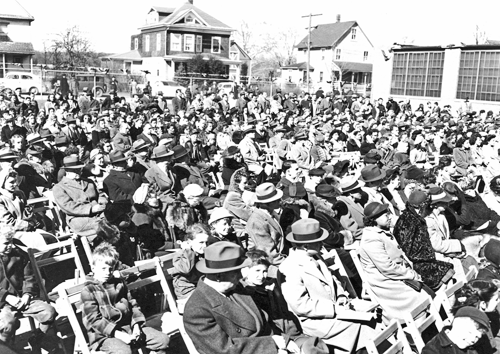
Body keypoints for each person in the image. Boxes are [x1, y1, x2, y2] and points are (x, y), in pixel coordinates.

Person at [183, 241, 301, 354]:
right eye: (236, 272)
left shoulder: (236, 288)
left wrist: (284, 340)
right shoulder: (197, 310)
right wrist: (272, 344)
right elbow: (224, 350)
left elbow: (263, 322)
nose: (241, 276)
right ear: (219, 275)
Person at [279, 219, 377, 352]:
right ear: (306, 246)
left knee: (374, 314)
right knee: (362, 326)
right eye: (318, 241)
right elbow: (300, 305)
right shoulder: (289, 267)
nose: (322, 243)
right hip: (317, 320)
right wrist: (333, 309)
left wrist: (341, 295)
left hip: (337, 309)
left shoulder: (316, 256)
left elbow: (332, 279)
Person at [81, 243, 170, 354]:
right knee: (123, 352)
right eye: (103, 268)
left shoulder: (119, 284)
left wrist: (136, 326)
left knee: (162, 340)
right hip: (104, 335)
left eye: (110, 269)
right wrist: (119, 334)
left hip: (128, 328)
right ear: (93, 268)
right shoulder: (89, 290)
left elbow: (133, 306)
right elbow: (94, 320)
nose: (107, 273)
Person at [358, 202, 431, 322]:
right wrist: (412, 274)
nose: (389, 216)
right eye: (384, 214)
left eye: (387, 213)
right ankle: (414, 331)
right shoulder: (371, 239)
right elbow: (387, 268)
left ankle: (422, 326)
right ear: (373, 220)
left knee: (428, 284)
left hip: (398, 274)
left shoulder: (382, 232)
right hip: (385, 282)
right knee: (420, 295)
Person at [0, 224, 56, 349]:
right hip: (3, 303)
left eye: (11, 241)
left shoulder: (19, 255)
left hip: (22, 299)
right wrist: (7, 297)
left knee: (49, 312)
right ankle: (7, 349)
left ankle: (37, 339)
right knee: (8, 323)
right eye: (5, 243)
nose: (10, 246)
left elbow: (29, 277)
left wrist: (27, 294)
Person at [393, 190, 455, 290]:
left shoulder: (413, 216)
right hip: (419, 264)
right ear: (422, 205)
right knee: (447, 271)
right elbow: (408, 250)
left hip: (425, 259)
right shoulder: (408, 222)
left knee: (449, 268)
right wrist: (428, 258)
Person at [53, 156, 107, 236]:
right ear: (67, 170)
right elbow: (68, 207)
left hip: (98, 212)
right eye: (74, 170)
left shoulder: (89, 182)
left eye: (79, 169)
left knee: (116, 219)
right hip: (78, 218)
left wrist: (103, 202)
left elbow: (100, 195)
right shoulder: (59, 187)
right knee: (102, 225)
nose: (78, 172)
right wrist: (91, 209)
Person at [246, 183, 286, 276]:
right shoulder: (256, 222)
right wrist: (287, 264)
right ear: (266, 203)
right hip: (269, 266)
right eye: (276, 200)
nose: (279, 201)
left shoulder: (271, 214)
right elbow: (268, 252)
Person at [172, 223, 209, 311]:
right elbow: (186, 269)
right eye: (201, 242)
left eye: (206, 242)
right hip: (187, 292)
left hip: (200, 289)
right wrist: (188, 250)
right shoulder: (181, 255)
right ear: (189, 242)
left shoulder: (201, 254)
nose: (204, 246)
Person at [422, 307, 490, 354]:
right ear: (457, 324)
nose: (472, 339)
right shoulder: (433, 350)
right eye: (469, 332)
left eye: (477, 337)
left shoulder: (472, 348)